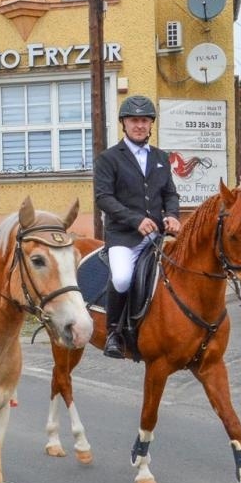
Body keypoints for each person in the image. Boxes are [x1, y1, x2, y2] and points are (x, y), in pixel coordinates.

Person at [93, 94, 181, 359]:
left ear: (150, 124)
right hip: (124, 236)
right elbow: (104, 198)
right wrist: (135, 219)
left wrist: (174, 215)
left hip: (158, 235)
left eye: (144, 121)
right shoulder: (109, 158)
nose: (139, 125)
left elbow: (170, 193)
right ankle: (113, 332)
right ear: (124, 124)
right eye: (134, 120)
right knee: (121, 278)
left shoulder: (161, 157)